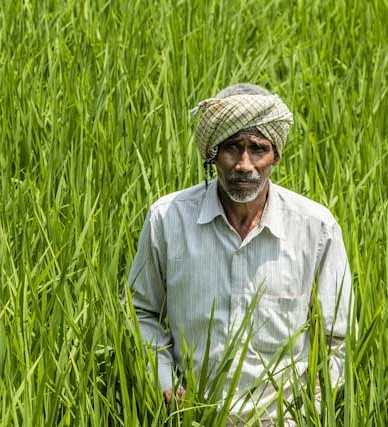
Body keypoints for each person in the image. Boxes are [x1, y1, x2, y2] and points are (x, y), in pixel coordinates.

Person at [126, 83, 353, 424]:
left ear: (276, 155)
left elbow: (338, 338)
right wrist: (166, 384)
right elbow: (140, 312)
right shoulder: (168, 219)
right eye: (232, 147)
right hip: (192, 417)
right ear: (213, 154)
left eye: (258, 149)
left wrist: (310, 410)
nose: (245, 165)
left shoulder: (315, 229)